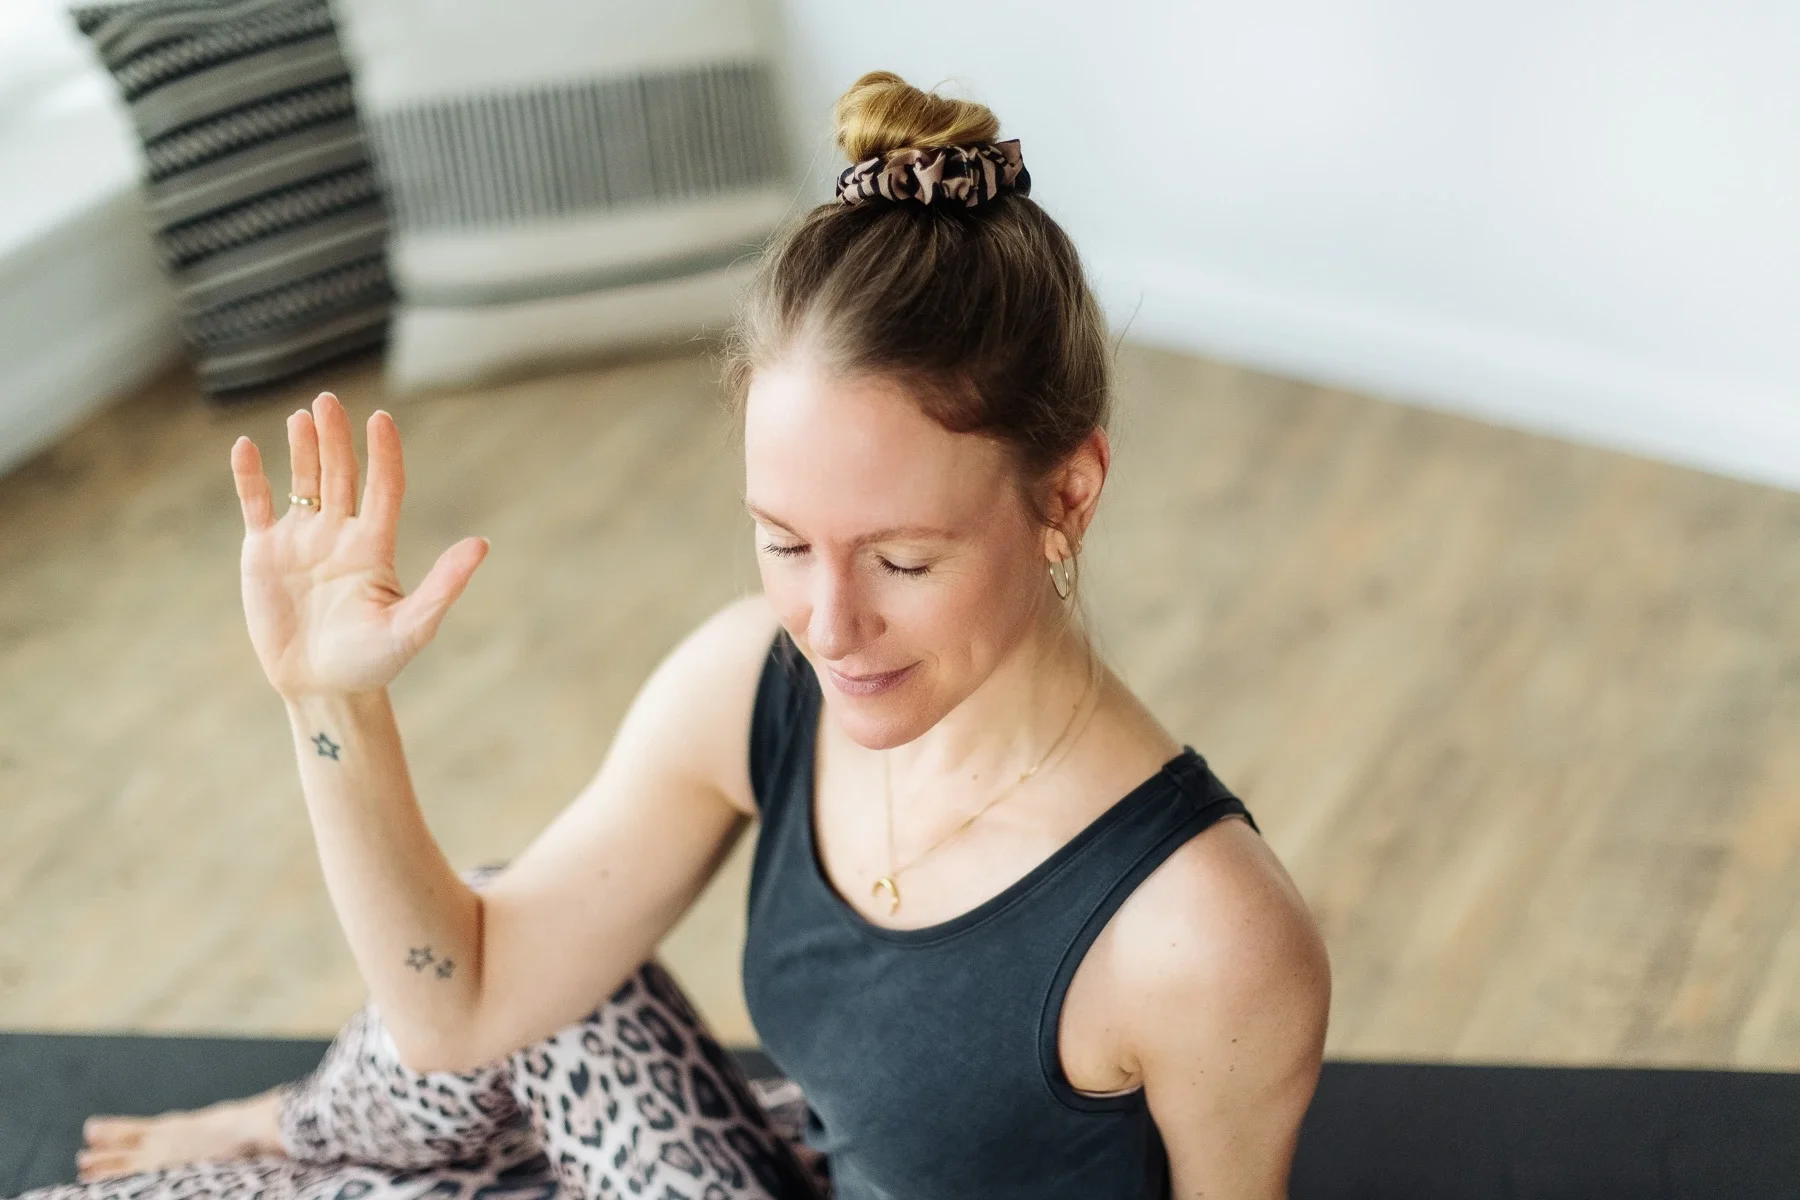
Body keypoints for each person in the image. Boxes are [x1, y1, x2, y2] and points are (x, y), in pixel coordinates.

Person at [50, 70, 1329, 1200]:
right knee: (512, 924)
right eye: (783, 542)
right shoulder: (752, 687)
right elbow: (468, 1007)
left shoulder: (1200, 934)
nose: (829, 627)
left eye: (902, 559)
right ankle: (304, 1130)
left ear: (1067, 493)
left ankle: (318, 1144)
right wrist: (329, 705)